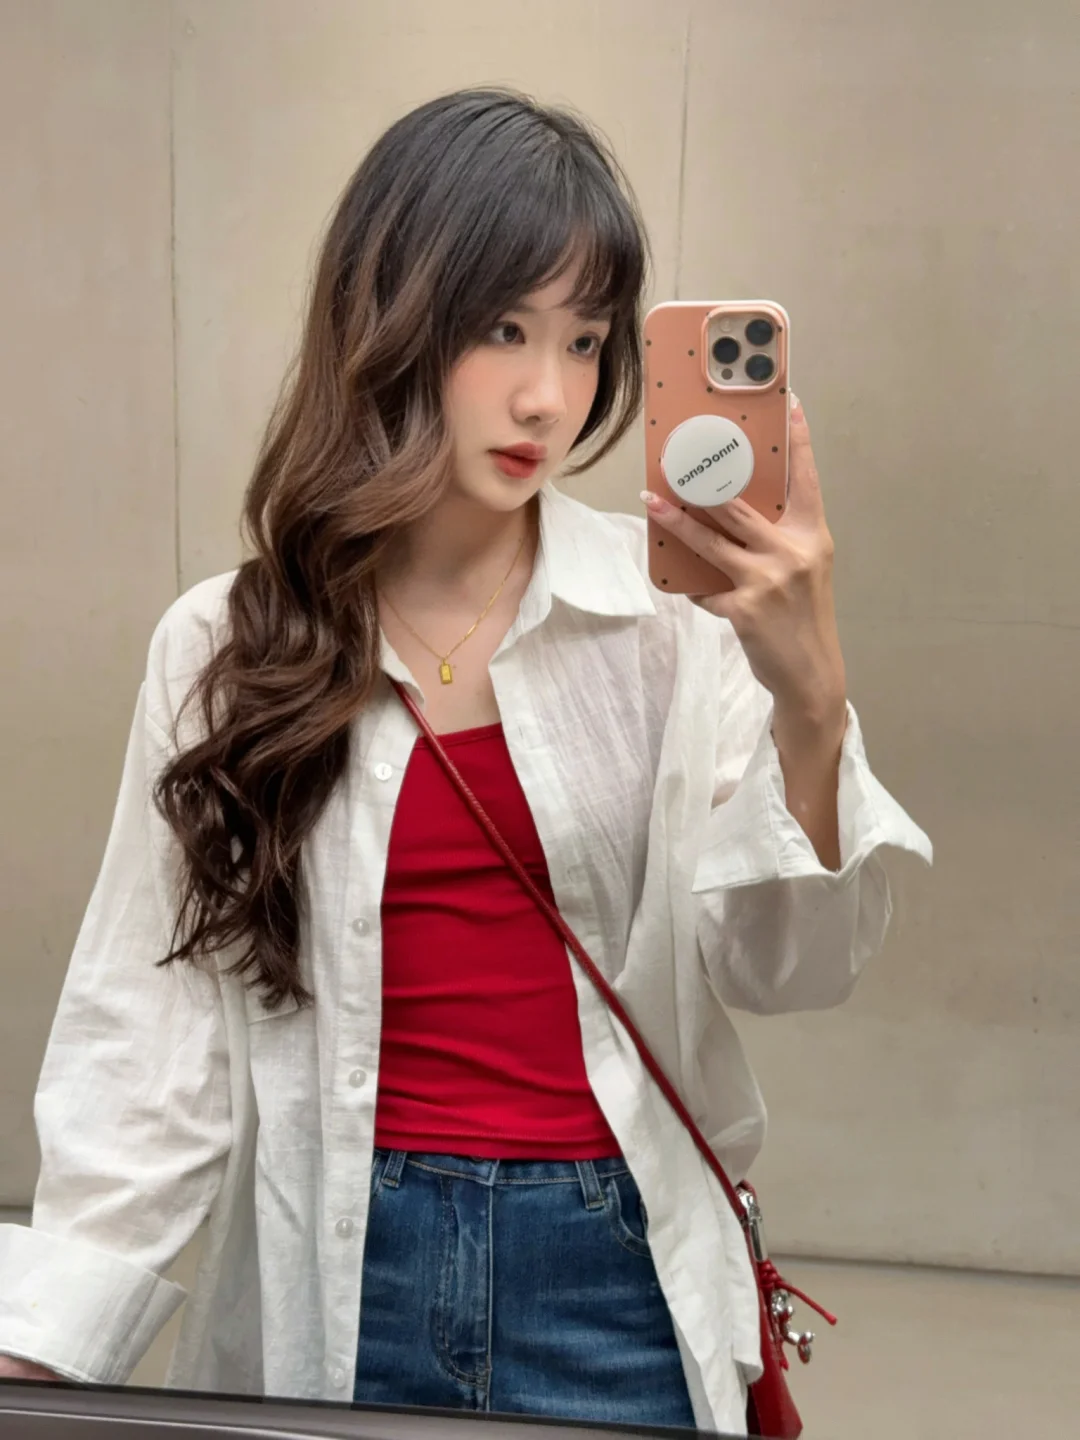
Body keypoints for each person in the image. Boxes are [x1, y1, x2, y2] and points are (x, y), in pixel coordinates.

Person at [0, 88, 931, 1433]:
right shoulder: (227, 645)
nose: (549, 395)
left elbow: (790, 965)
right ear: (388, 315)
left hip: (609, 1273)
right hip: (337, 1267)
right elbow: (150, 1037)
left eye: (586, 341)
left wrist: (813, 698)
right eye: (502, 329)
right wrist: (43, 1347)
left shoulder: (672, 625)